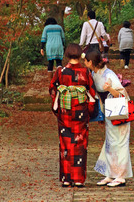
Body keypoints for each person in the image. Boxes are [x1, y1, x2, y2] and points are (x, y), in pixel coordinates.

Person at [49, 43, 96, 188]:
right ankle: (78, 179)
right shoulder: (85, 72)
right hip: (80, 112)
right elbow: (92, 92)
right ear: (80, 54)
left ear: (67, 55)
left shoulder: (60, 71)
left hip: (65, 112)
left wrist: (57, 109)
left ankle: (66, 179)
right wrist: (90, 110)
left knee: (66, 144)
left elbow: (52, 89)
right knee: (80, 143)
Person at [84, 50, 133, 187]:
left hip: (119, 109)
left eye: (86, 60)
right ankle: (110, 174)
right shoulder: (94, 74)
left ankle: (121, 176)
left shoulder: (108, 74)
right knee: (110, 142)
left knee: (121, 143)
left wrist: (110, 88)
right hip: (108, 110)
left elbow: (121, 93)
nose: (84, 63)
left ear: (91, 62)